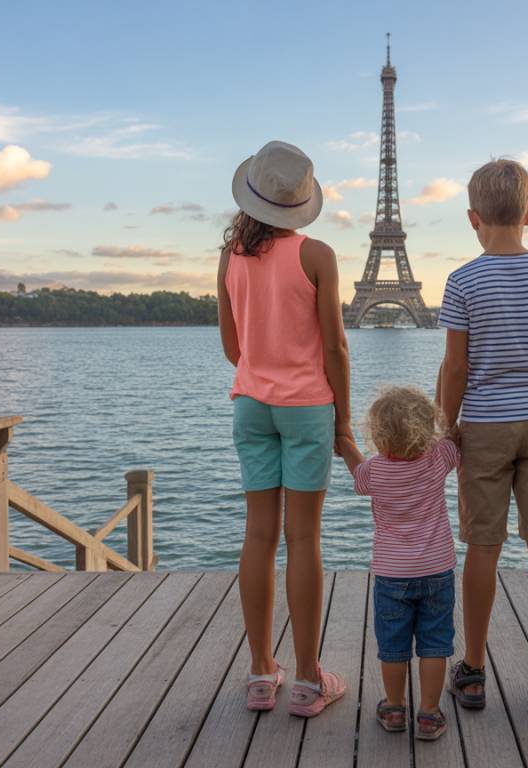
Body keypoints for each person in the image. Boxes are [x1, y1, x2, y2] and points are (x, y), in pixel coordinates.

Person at [437, 158, 528, 714]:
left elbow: (456, 368)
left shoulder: (462, 280)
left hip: (485, 427)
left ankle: (472, 669)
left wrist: (446, 433)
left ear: (472, 218)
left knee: (482, 548)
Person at [217, 140, 351, 717]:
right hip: (306, 408)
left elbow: (232, 348)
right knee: (304, 540)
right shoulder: (317, 254)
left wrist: (263, 368)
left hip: (251, 405)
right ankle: (305, 679)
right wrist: (343, 422)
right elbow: (336, 348)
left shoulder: (228, 258)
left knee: (258, 537)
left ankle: (257, 674)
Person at [337, 387, 459, 741]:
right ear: (428, 431)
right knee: (435, 645)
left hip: (392, 576)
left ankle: (393, 708)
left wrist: (344, 442)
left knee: (393, 646)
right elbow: (455, 440)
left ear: (378, 436)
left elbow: (357, 473)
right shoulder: (438, 458)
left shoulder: (374, 472)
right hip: (437, 571)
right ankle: (429, 714)